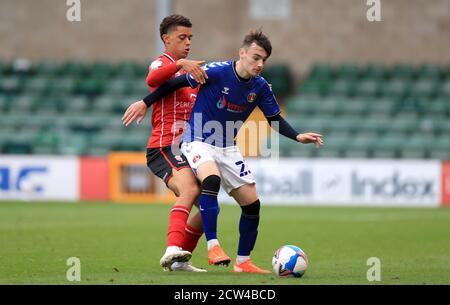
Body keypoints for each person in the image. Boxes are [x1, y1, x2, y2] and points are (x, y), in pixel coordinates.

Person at [124, 30, 323, 273]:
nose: (259, 64)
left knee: (252, 203)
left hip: (227, 146)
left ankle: (243, 262)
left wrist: (297, 136)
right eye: (255, 57)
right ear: (242, 53)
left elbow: (274, 118)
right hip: (196, 139)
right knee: (211, 179)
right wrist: (145, 102)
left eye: (264, 60)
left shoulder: (260, 87)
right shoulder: (217, 71)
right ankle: (213, 246)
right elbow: (174, 83)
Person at [122, 14, 208, 272]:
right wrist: (181, 62)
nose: (188, 42)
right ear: (166, 38)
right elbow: (153, 80)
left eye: (190, 38)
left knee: (209, 207)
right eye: (182, 38)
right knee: (189, 190)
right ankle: (172, 247)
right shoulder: (162, 62)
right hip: (164, 147)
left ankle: (180, 261)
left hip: (188, 149)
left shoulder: (190, 74)